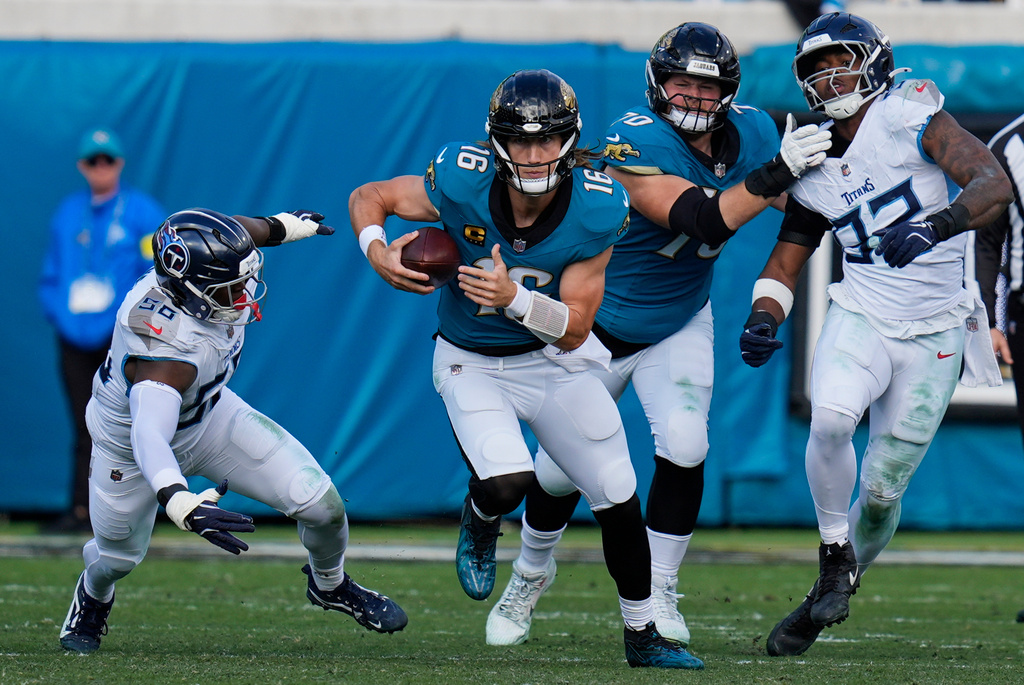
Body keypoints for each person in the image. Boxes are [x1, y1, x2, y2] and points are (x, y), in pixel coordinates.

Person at [484, 22, 832, 649]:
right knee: (563, 472)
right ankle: (531, 571)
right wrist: (779, 172)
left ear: (728, 90)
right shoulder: (630, 139)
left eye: (708, 85)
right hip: (595, 325)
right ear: (656, 82)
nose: (695, 96)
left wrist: (772, 293)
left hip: (677, 319)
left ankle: (662, 587)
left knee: (685, 441)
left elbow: (807, 207)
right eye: (682, 81)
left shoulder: (752, 129)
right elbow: (699, 218)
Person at [349, 68, 703, 669]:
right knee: (508, 480)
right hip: (470, 360)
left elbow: (577, 328)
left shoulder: (596, 207)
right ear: (496, 142)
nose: (533, 154)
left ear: (568, 141)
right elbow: (371, 196)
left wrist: (511, 297)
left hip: (549, 361)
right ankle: (481, 518)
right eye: (520, 140)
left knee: (617, 491)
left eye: (545, 140)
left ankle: (643, 634)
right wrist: (377, 250)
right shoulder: (460, 179)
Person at [736, 12, 1012, 657]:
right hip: (861, 312)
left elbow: (993, 182)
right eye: (815, 67)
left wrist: (936, 226)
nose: (830, 76)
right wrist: (763, 315)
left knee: (884, 495)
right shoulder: (811, 153)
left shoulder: (908, 113)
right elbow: (787, 258)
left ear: (876, 60)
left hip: (938, 327)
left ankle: (826, 595)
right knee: (830, 420)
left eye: (841, 59)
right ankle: (835, 553)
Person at [58, 208, 408, 655]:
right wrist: (178, 498)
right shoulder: (163, 350)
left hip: (207, 417)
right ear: (192, 291)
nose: (243, 292)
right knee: (116, 558)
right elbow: (149, 433)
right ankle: (93, 593)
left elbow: (241, 233)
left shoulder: (194, 271)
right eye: (229, 286)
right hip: (129, 448)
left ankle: (330, 585)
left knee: (322, 505)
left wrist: (281, 226)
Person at [39, 127, 167, 533]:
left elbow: (158, 271)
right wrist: (61, 316)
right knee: (84, 425)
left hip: (123, 337)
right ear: (82, 166)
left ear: (120, 163)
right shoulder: (67, 213)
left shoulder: (142, 212)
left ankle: (137, 514)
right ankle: (80, 511)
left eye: (107, 160)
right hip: (74, 336)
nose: (100, 168)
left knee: (135, 423)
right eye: (93, 161)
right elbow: (52, 274)